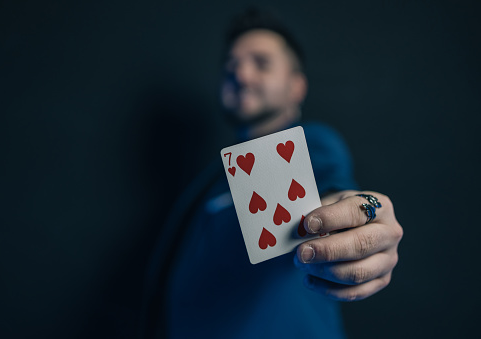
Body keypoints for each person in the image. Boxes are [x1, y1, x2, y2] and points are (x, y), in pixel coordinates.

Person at [141, 8, 403, 338]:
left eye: (261, 63)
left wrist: (361, 211)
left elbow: (331, 193)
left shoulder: (313, 143)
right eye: (231, 65)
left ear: (297, 87)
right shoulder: (211, 178)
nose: (242, 74)